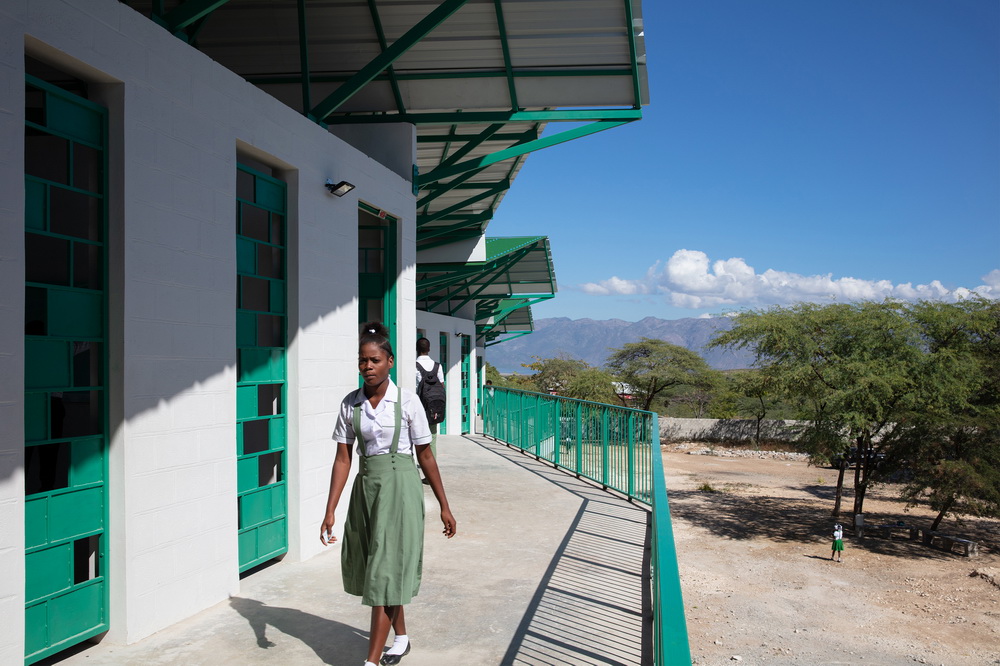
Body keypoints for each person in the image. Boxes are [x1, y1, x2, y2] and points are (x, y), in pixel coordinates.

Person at [321, 322, 457, 666]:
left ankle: (370, 662)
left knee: (384, 573)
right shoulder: (351, 405)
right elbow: (342, 458)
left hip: (400, 490)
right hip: (366, 490)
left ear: (390, 361)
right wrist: (330, 510)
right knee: (378, 567)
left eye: (375, 360)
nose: (368, 367)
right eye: (363, 361)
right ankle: (403, 638)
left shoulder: (408, 402)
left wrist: (444, 505)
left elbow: (425, 455)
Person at [415, 337, 445, 458]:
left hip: (419, 406)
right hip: (434, 407)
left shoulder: (414, 366)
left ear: (416, 349)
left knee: (416, 436)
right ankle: (432, 466)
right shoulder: (438, 366)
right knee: (432, 437)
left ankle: (419, 463)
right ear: (429, 349)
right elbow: (442, 385)